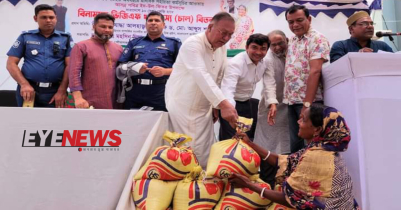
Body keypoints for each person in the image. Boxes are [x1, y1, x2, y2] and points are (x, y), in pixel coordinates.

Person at [230, 104, 359, 209]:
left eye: (303, 119)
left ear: (317, 129)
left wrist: (250, 185)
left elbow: (290, 199)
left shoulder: (317, 157)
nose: (298, 122)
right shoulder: (321, 149)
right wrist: (250, 144)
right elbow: (283, 161)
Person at [165, 12, 238, 168]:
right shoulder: (193, 43)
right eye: (223, 33)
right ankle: (183, 186)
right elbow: (201, 74)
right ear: (210, 26)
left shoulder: (222, 47)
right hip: (182, 106)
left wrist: (215, 106)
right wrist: (223, 104)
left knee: (204, 148)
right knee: (185, 149)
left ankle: (200, 187)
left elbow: (217, 77)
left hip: (204, 106)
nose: (226, 38)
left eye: (230, 35)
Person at [283, 5, 330, 153]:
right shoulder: (292, 40)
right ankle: (295, 176)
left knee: (313, 147)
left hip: (310, 103)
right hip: (292, 101)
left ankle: (312, 176)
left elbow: (315, 72)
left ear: (309, 19)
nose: (295, 25)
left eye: (299, 20)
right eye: (291, 22)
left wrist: (307, 105)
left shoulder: (317, 39)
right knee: (296, 146)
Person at [6, 4, 72, 108]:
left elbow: (70, 66)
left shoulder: (66, 38)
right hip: (29, 91)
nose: (48, 20)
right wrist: (24, 84)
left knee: (56, 123)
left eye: (51, 17)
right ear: (35, 18)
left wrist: (62, 90)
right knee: (26, 123)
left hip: (55, 92)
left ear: (56, 18)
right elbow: (11, 63)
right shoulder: (25, 37)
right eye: (44, 17)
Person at [117, 11, 181, 111]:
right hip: (134, 91)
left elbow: (183, 69)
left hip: (161, 91)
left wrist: (165, 71)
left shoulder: (174, 43)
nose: (153, 23)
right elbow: (121, 66)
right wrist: (135, 68)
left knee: (160, 124)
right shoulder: (134, 42)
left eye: (157, 20)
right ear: (146, 24)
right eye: (150, 20)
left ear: (163, 24)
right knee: (132, 123)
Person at [220, 33, 278, 140]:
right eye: (254, 48)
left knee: (245, 139)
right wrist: (230, 111)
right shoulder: (236, 63)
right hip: (230, 104)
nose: (258, 52)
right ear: (247, 47)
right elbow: (228, 89)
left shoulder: (266, 61)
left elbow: (269, 82)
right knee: (229, 140)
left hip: (247, 103)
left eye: (263, 49)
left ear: (267, 50)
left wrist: (272, 103)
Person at [254, 30, 290, 187]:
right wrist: (272, 104)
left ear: (286, 40)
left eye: (280, 43)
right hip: (271, 107)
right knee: (267, 147)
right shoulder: (267, 59)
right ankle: (266, 187)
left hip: (290, 107)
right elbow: (270, 84)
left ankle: (285, 187)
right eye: (272, 45)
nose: (276, 47)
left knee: (287, 147)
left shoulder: (293, 53)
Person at [68, 13, 123, 109]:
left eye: (110, 27)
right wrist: (78, 98)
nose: (107, 30)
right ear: (93, 27)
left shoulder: (118, 48)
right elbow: (73, 73)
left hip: (115, 101)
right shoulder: (81, 46)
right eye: (103, 26)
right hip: (89, 101)